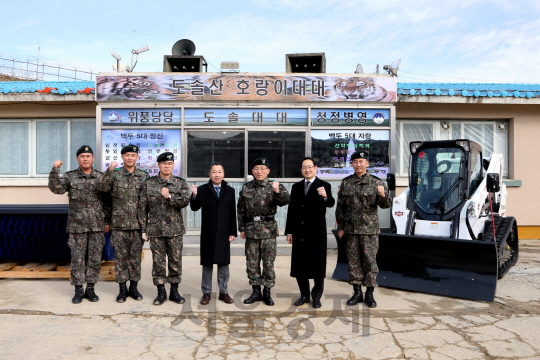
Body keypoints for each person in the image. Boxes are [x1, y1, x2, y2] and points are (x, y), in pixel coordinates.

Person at [48, 145, 111, 304]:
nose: (85, 158)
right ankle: (78, 289)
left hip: (97, 226)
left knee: (95, 258)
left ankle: (90, 288)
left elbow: (108, 202)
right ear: (77, 159)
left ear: (93, 159)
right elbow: (57, 189)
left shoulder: (100, 177)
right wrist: (55, 170)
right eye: (82, 156)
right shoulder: (70, 176)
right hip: (77, 226)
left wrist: (108, 221)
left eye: (88, 156)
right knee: (77, 259)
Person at [336, 151, 390, 308]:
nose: (358, 164)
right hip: (351, 230)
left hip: (369, 230)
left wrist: (382, 195)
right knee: (353, 262)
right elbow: (340, 208)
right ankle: (357, 292)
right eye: (355, 162)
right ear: (351, 164)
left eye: (361, 161)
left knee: (370, 261)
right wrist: (340, 227)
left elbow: (385, 205)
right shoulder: (346, 183)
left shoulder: (376, 182)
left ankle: (370, 294)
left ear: (367, 163)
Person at [97, 144, 149, 303]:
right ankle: (122, 290)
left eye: (133, 155)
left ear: (137, 157)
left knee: (135, 259)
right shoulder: (115, 175)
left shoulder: (143, 176)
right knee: (120, 259)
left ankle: (134, 288)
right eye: (127, 155)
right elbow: (102, 190)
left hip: (137, 225)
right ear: (122, 157)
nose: (130, 158)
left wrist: (146, 227)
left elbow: (147, 202)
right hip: (118, 225)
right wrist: (109, 171)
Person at [138, 152, 190, 305]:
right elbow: (142, 208)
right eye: (164, 164)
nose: (167, 166)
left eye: (170, 164)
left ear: (173, 165)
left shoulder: (180, 183)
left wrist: (169, 197)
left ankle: (174, 291)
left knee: (175, 261)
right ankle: (161, 292)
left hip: (175, 230)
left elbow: (185, 201)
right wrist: (143, 229)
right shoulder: (149, 183)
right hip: (156, 230)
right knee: (158, 262)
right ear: (158, 165)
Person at [237, 158, 290, 306]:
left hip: (268, 231)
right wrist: (241, 228)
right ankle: (256, 292)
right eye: (256, 169)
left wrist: (276, 191)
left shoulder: (275, 186)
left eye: (262, 168)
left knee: (268, 263)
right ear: (252, 171)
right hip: (251, 230)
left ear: (268, 171)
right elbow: (240, 209)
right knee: (252, 263)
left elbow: (285, 201)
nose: (259, 171)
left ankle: (267, 292)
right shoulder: (246, 188)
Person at [285, 157, 335, 308]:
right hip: (299, 232)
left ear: (315, 168)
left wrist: (325, 196)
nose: (307, 169)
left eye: (310, 167)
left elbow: (331, 203)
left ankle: (316, 296)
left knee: (318, 265)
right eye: (304, 167)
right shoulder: (296, 187)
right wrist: (289, 232)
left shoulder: (324, 185)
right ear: (301, 170)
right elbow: (292, 210)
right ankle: (304, 295)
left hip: (316, 233)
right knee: (300, 265)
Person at [190, 162, 237, 305]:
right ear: (209, 174)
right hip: (208, 231)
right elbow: (194, 207)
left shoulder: (230, 190)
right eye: (214, 172)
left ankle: (223, 292)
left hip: (224, 232)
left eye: (219, 172)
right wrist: (194, 195)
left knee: (223, 263)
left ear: (223, 174)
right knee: (207, 263)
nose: (217, 175)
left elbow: (231, 213)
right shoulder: (203, 189)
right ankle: (206, 293)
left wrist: (233, 231)